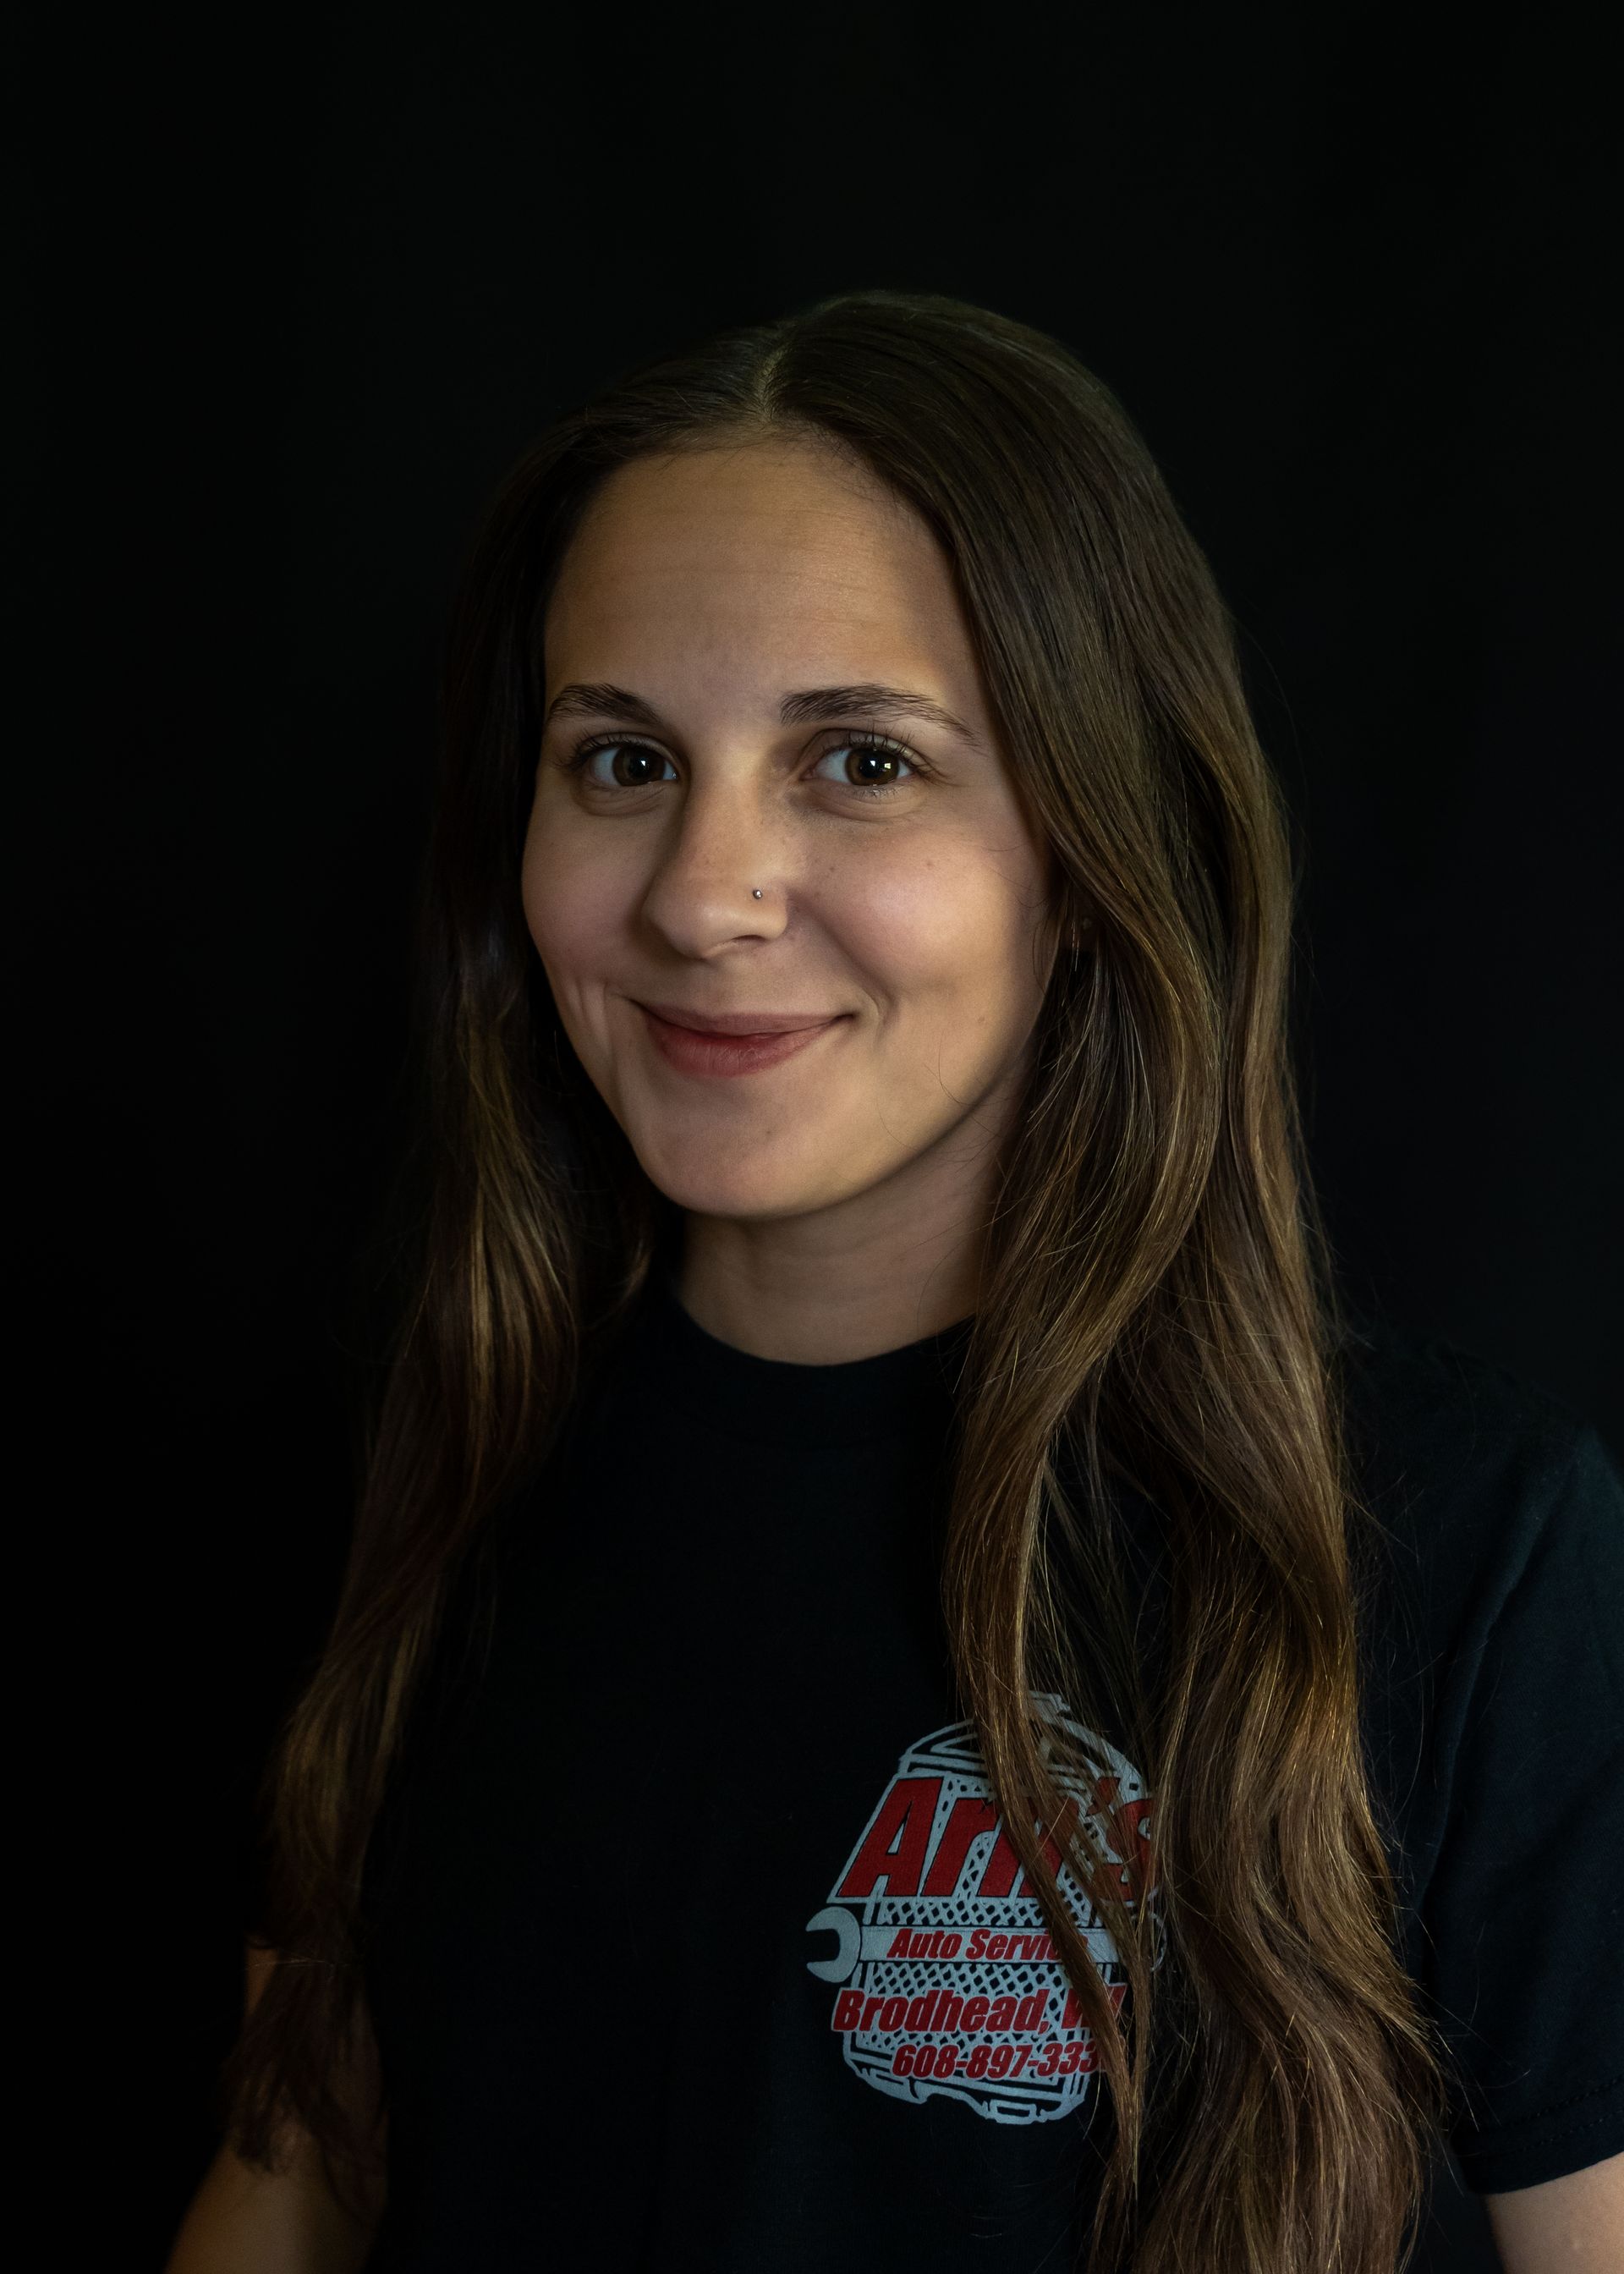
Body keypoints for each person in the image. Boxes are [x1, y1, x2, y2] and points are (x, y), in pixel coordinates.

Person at [164, 288, 1623, 2274]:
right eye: (621, 759)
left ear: (1092, 849)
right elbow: (292, 2179)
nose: (702, 895)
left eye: (861, 759)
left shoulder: (1463, 1544)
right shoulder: (443, 1459)